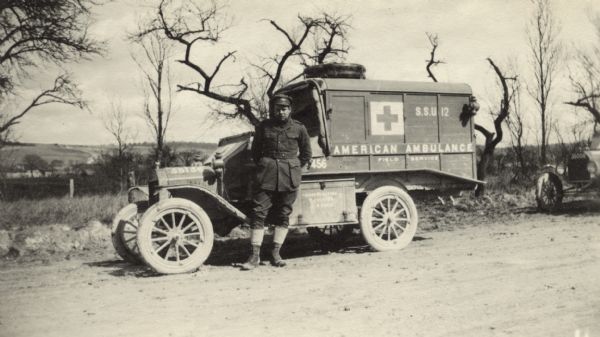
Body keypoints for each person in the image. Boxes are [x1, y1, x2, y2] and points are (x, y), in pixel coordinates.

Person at [241, 93, 312, 270]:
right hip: (267, 176)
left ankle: (276, 253)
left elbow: (306, 154)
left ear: (290, 110)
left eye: (285, 108)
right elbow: (256, 152)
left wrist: (294, 167)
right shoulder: (264, 127)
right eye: (278, 108)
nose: (281, 112)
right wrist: (266, 166)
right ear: (273, 109)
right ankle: (254, 256)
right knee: (258, 213)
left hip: (289, 176)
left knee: (283, 214)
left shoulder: (299, 128)